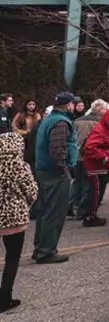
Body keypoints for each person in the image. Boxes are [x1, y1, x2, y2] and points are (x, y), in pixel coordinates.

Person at [33, 92, 78, 264]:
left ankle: (40, 248)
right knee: (54, 212)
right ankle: (46, 251)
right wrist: (63, 168)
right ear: (68, 105)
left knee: (44, 211)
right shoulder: (61, 122)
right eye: (73, 104)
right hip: (54, 172)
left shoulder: (49, 119)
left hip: (44, 171)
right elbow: (58, 148)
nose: (74, 107)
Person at [0, 132, 38, 313]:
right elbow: (31, 192)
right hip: (14, 218)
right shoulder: (20, 166)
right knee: (12, 258)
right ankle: (5, 297)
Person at [81, 107, 109, 227]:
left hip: (102, 167)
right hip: (95, 167)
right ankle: (89, 216)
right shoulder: (100, 130)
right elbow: (90, 148)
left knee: (98, 192)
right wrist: (104, 156)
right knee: (95, 192)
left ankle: (92, 214)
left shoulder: (108, 130)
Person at [71, 99, 109, 220]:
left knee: (78, 183)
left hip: (77, 156)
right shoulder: (101, 123)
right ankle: (85, 211)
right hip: (91, 158)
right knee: (90, 186)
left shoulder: (77, 121)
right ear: (99, 109)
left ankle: (74, 206)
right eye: (104, 109)